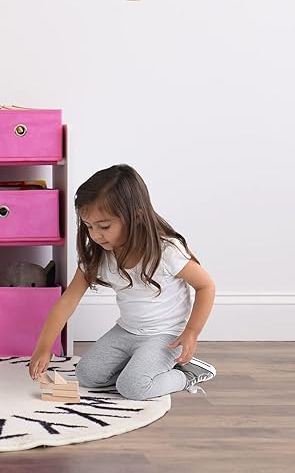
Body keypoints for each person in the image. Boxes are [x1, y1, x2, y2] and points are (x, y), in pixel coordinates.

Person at [29, 164, 216, 399]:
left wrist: (191, 332)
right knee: (87, 375)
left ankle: (184, 374)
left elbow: (205, 286)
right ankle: (141, 367)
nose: (96, 235)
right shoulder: (99, 255)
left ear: (135, 216)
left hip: (166, 336)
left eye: (104, 226)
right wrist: (44, 347)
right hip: (126, 331)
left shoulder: (166, 251)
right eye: (89, 227)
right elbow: (68, 301)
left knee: (133, 388)